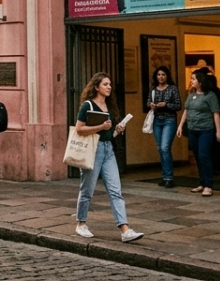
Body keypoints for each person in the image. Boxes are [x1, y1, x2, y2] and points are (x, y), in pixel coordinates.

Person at [73, 72, 143, 242]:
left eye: (110, 84)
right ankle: (81, 224)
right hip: (93, 150)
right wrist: (101, 126)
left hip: (108, 150)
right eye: (105, 84)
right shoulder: (87, 106)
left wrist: (116, 131)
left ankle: (125, 229)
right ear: (96, 87)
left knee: (115, 191)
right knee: (87, 190)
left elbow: (108, 134)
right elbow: (79, 129)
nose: (109, 87)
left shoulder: (109, 108)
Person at [176, 68, 220, 197]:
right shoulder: (191, 95)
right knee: (197, 156)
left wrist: (218, 131)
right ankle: (202, 182)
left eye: (193, 79)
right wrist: (180, 126)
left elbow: (216, 113)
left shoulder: (210, 96)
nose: (191, 81)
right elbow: (186, 110)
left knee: (204, 155)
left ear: (200, 82)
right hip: (192, 129)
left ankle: (209, 184)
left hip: (206, 130)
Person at [146, 66, 181, 187]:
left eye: (163, 74)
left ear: (167, 76)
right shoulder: (153, 89)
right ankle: (165, 176)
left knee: (165, 147)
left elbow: (178, 105)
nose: (161, 77)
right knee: (160, 148)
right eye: (159, 75)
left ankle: (169, 178)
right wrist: (151, 105)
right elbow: (148, 101)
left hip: (169, 120)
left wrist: (165, 105)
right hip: (157, 120)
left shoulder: (172, 89)